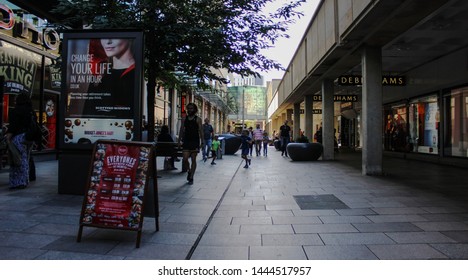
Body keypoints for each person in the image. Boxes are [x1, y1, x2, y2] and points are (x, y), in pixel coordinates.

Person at [83, 38, 136, 118]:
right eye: (104, 38)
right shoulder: (99, 75)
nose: (108, 42)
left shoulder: (134, 72)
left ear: (129, 39)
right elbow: (87, 114)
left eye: (115, 37)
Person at [5, 93, 34, 190]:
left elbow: (13, 126)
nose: (14, 99)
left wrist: (8, 136)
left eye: (16, 98)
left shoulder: (16, 111)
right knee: (25, 158)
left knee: (17, 159)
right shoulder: (31, 111)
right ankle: (25, 180)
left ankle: (17, 182)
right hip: (29, 138)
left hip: (18, 137)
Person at [178, 103, 203, 185]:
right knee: (185, 159)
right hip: (187, 140)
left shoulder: (198, 119)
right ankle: (189, 171)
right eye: (188, 108)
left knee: (193, 159)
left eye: (191, 108)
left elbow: (201, 131)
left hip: (195, 141)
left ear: (195, 110)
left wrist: (202, 141)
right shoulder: (184, 119)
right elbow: (181, 129)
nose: (190, 110)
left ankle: (191, 176)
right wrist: (179, 141)